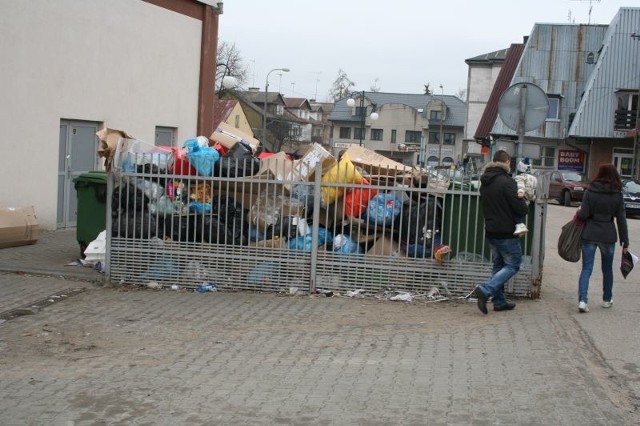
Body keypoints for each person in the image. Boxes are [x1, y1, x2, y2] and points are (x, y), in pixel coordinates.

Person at [471, 150, 529, 314]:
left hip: (491, 230)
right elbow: (520, 208)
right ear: (507, 162)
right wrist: (523, 201)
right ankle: (485, 290)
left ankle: (499, 302)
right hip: (506, 231)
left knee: (498, 266)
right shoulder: (507, 182)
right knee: (513, 264)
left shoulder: (485, 181)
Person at [575, 164, 629, 313]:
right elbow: (621, 219)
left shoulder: (590, 190)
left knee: (586, 268)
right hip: (608, 234)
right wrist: (625, 242)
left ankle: (582, 301)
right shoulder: (617, 193)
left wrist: (579, 212)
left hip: (590, 233)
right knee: (607, 269)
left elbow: (584, 214)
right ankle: (606, 299)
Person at [513, 159, 538, 236]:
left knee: (514, 214)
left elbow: (520, 185)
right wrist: (533, 197)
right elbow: (535, 189)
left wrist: (520, 192)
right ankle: (520, 225)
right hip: (529, 200)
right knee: (520, 215)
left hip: (521, 199)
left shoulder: (520, 177)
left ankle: (520, 225)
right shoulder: (534, 178)